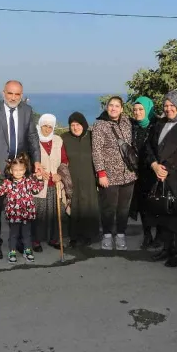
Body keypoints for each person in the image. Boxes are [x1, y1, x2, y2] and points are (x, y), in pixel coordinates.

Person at [0, 80, 42, 260]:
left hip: (20, 170)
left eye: (17, 94)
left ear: (21, 95)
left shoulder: (27, 111)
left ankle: (21, 243)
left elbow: (32, 138)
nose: (13, 97)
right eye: (10, 93)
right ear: (3, 93)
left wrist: (37, 161)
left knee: (21, 207)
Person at [145, 90, 177, 267]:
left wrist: (166, 168)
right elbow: (149, 146)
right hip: (158, 175)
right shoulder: (160, 123)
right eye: (166, 105)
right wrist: (154, 165)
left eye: (171, 105)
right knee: (162, 212)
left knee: (176, 213)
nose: (168, 109)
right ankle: (166, 248)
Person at [92, 96, 137, 251]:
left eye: (117, 106)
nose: (113, 108)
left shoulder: (127, 122)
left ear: (122, 108)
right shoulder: (99, 125)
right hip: (109, 175)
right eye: (111, 105)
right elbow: (96, 150)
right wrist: (101, 173)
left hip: (129, 174)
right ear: (106, 107)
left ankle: (120, 234)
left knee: (124, 208)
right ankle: (106, 235)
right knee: (108, 207)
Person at [0, 153, 45, 263]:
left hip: (27, 213)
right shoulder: (7, 183)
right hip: (14, 214)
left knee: (27, 234)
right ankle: (12, 251)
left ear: (25, 170)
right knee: (13, 234)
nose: (18, 173)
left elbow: (37, 188)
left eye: (21, 170)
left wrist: (39, 178)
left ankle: (28, 250)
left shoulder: (29, 181)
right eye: (15, 170)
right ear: (11, 171)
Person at [60, 112, 99, 248]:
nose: (75, 128)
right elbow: (61, 159)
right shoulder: (64, 138)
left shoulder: (92, 137)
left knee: (88, 206)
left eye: (78, 124)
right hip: (72, 178)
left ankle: (88, 236)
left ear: (84, 124)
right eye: (72, 125)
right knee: (74, 207)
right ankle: (74, 237)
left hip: (89, 177)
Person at [33, 114, 69, 251]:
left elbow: (64, 160)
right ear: (40, 125)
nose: (47, 129)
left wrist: (59, 174)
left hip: (55, 183)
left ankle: (54, 239)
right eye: (44, 126)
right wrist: (37, 171)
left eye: (50, 126)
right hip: (39, 184)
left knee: (55, 213)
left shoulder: (58, 140)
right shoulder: (33, 140)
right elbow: (27, 160)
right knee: (39, 213)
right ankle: (36, 240)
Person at [129, 96, 158, 249]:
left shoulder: (156, 125)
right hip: (138, 171)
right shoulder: (133, 126)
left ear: (148, 110)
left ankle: (159, 236)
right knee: (143, 206)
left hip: (154, 171)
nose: (138, 112)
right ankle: (147, 235)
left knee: (156, 204)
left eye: (141, 109)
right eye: (135, 110)